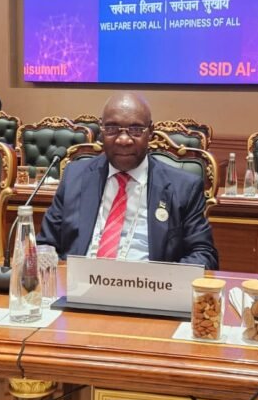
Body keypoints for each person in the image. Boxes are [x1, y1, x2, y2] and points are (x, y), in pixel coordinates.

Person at [37, 91, 218, 269]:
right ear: (101, 130)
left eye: (136, 130)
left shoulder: (183, 187)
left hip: (148, 284)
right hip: (78, 282)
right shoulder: (75, 176)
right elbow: (44, 245)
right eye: (112, 129)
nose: (123, 140)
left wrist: (163, 280)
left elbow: (204, 255)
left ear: (150, 133)